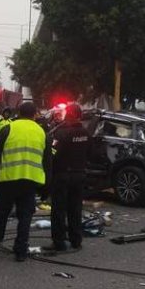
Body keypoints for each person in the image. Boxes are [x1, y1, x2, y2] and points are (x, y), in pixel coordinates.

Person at [0, 101, 52, 261]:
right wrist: (46, 188)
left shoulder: (8, 129)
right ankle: (21, 251)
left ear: (18, 113)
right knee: (25, 217)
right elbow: (47, 163)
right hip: (30, 182)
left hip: (8, 180)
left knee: (0, 215)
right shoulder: (42, 133)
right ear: (35, 114)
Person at [46, 103, 90, 252]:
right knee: (75, 208)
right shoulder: (85, 132)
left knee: (59, 210)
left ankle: (59, 243)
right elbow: (91, 153)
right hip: (79, 175)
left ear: (69, 114)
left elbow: (52, 153)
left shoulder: (62, 133)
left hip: (62, 175)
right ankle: (76, 240)